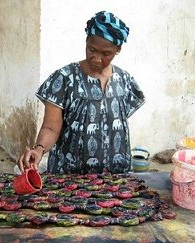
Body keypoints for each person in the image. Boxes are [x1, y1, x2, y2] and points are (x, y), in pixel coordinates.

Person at [18, 11, 145, 174]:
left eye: (106, 53)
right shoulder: (64, 79)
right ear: (86, 41)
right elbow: (51, 127)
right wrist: (39, 149)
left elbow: (112, 126)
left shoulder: (125, 81)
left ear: (117, 50)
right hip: (70, 178)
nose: (97, 58)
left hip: (117, 177)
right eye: (92, 49)